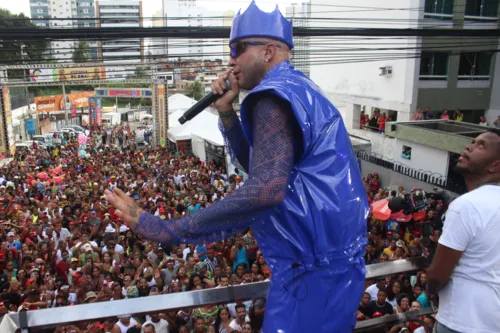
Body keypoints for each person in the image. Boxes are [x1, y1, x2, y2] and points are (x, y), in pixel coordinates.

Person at [104, 1, 368, 332]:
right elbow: (264, 168)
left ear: (269, 51)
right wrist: (227, 112)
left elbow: (267, 189)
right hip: (335, 271)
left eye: (239, 48)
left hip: (312, 275)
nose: (231, 59)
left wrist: (168, 229)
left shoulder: (272, 96)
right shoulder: (303, 88)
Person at [427, 129, 500, 333]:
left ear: (495, 165)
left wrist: (430, 290)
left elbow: (436, 277)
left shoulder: (466, 206)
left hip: (460, 321)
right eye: (473, 141)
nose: (469, 146)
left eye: (481, 146)